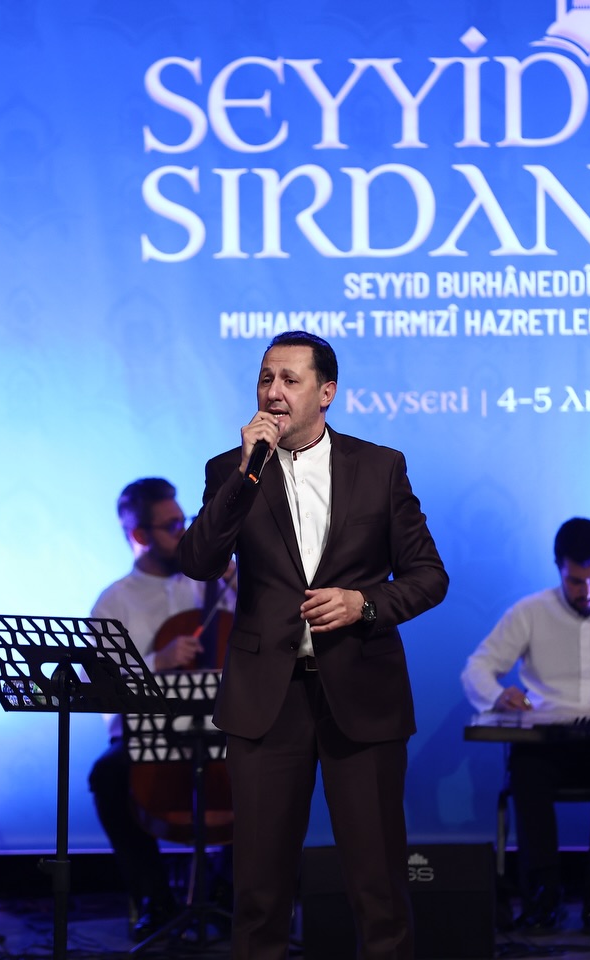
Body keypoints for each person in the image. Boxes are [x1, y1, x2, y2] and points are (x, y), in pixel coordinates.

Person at [177, 331, 448, 960]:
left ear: (326, 393)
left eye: (289, 380)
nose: (273, 392)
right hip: (266, 700)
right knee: (260, 889)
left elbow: (429, 576)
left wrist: (364, 603)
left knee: (378, 885)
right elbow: (198, 562)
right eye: (265, 378)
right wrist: (245, 476)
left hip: (362, 691)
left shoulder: (379, 467)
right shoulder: (229, 469)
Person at [462, 517, 590, 933]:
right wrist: (498, 695)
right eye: (575, 581)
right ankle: (546, 894)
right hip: (548, 737)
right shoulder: (530, 612)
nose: (587, 591)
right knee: (526, 769)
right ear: (559, 568)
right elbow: (477, 668)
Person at [87, 477, 234, 938]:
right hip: (147, 733)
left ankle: (231, 890)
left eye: (183, 520)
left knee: (276, 763)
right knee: (108, 775)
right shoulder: (114, 602)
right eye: (171, 526)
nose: (183, 532)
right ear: (140, 535)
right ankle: (154, 899)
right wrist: (157, 661)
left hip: (222, 725)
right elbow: (105, 687)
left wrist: (240, 583)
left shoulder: (215, 586)